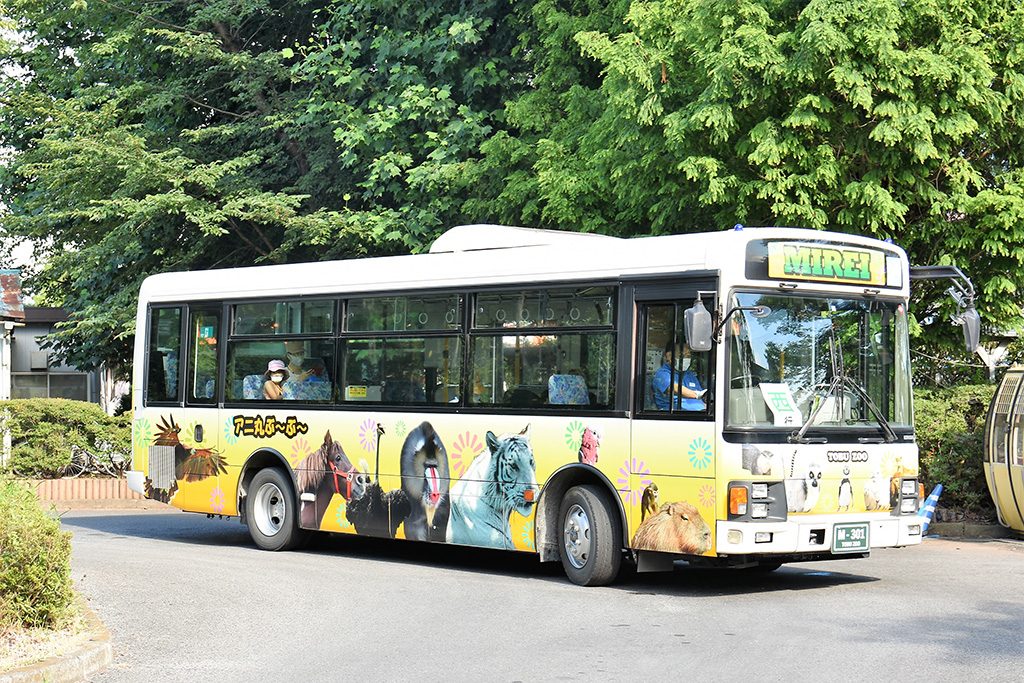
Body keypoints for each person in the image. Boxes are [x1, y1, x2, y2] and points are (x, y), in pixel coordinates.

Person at [653, 341, 706, 411]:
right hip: (677, 414)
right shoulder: (662, 374)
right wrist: (697, 395)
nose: (687, 359)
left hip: (701, 413)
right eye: (682, 355)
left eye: (688, 356)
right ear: (669, 356)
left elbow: (702, 396)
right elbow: (673, 388)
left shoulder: (690, 374)